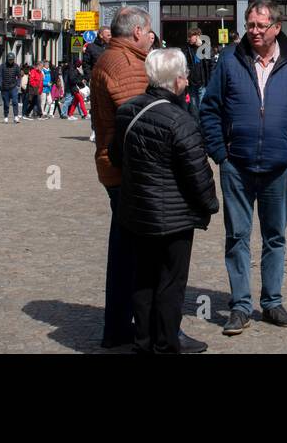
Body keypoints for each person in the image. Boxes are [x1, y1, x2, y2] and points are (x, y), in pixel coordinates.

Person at [199, 0, 287, 337]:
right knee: (237, 236)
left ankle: (272, 302)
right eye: (250, 24)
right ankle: (239, 306)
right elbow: (209, 109)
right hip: (236, 165)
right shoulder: (229, 61)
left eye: (260, 25)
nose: (254, 31)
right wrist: (220, 154)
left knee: (275, 236)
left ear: (276, 27)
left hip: (280, 166)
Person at [110, 48, 219, 355]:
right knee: (171, 283)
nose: (186, 80)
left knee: (143, 280)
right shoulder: (179, 120)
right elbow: (198, 173)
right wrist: (209, 205)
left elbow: (117, 157)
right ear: (176, 81)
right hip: (173, 217)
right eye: (184, 75)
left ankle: (142, 341)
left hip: (137, 213)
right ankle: (166, 343)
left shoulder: (127, 111)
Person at [91, 6, 155, 348]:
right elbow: (142, 122)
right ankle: (146, 327)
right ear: (136, 33)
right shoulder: (126, 65)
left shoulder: (110, 59)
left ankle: (117, 326)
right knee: (141, 252)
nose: (151, 38)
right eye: (149, 33)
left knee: (124, 249)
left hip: (113, 166)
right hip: (129, 170)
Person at [181, 27, 211, 119]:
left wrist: (202, 47)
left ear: (198, 36)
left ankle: (203, 124)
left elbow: (210, 63)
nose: (189, 38)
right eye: (188, 36)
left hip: (202, 82)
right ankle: (196, 125)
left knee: (202, 105)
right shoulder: (186, 49)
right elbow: (184, 65)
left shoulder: (205, 47)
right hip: (191, 82)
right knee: (194, 107)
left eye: (191, 36)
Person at [0, 53, 21, 123]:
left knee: (15, 101)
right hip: (5, 87)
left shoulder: (16, 66)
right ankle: (6, 116)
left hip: (13, 87)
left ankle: (16, 116)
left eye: (12, 60)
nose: (10, 61)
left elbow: (19, 76)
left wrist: (18, 84)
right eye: (9, 60)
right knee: (6, 103)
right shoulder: (3, 66)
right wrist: (0, 84)